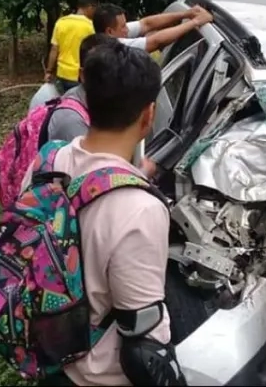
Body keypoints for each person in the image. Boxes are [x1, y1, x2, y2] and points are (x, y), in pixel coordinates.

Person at [27, 43, 184, 386]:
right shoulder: (140, 209)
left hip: (47, 348)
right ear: (148, 116)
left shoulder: (47, 161)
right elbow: (141, 331)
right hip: (95, 375)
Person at [45, 33, 157, 178]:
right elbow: (91, 182)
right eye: (101, 69)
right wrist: (141, 175)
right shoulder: (71, 119)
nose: (111, 75)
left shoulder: (93, 103)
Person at [92, 3, 214, 53]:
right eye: (123, 26)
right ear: (109, 31)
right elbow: (155, 41)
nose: (127, 30)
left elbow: (146, 24)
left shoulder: (108, 34)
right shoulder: (112, 47)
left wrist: (186, 14)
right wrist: (195, 22)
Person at [46, 0, 99, 93]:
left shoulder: (61, 22)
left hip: (61, 74)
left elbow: (54, 49)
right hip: (79, 77)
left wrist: (49, 71)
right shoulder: (90, 26)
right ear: (90, 7)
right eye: (95, 8)